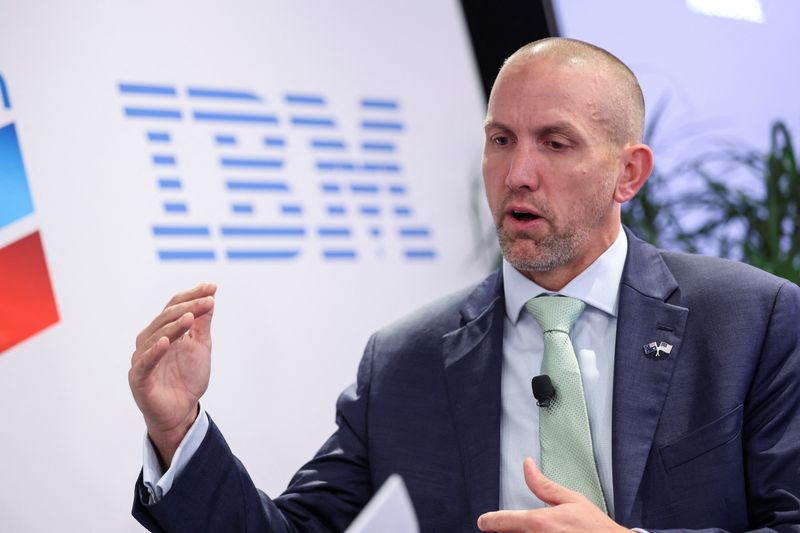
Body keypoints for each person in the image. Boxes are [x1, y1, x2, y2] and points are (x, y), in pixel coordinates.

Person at [129, 37, 800, 532]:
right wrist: (177, 427)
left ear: (629, 173)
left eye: (555, 143)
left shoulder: (752, 322)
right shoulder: (406, 362)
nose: (518, 173)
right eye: (501, 140)